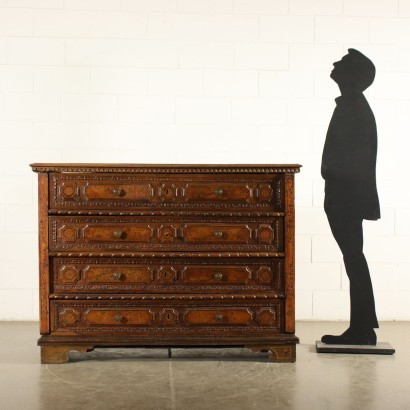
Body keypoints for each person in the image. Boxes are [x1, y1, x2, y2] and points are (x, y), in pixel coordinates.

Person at [321, 48, 380, 345]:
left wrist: (333, 181)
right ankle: (363, 327)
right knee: (354, 257)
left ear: (353, 75)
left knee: (354, 258)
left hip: (346, 197)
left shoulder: (354, 108)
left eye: (342, 63)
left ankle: (362, 329)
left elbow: (356, 160)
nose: (334, 64)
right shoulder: (352, 105)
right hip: (345, 196)